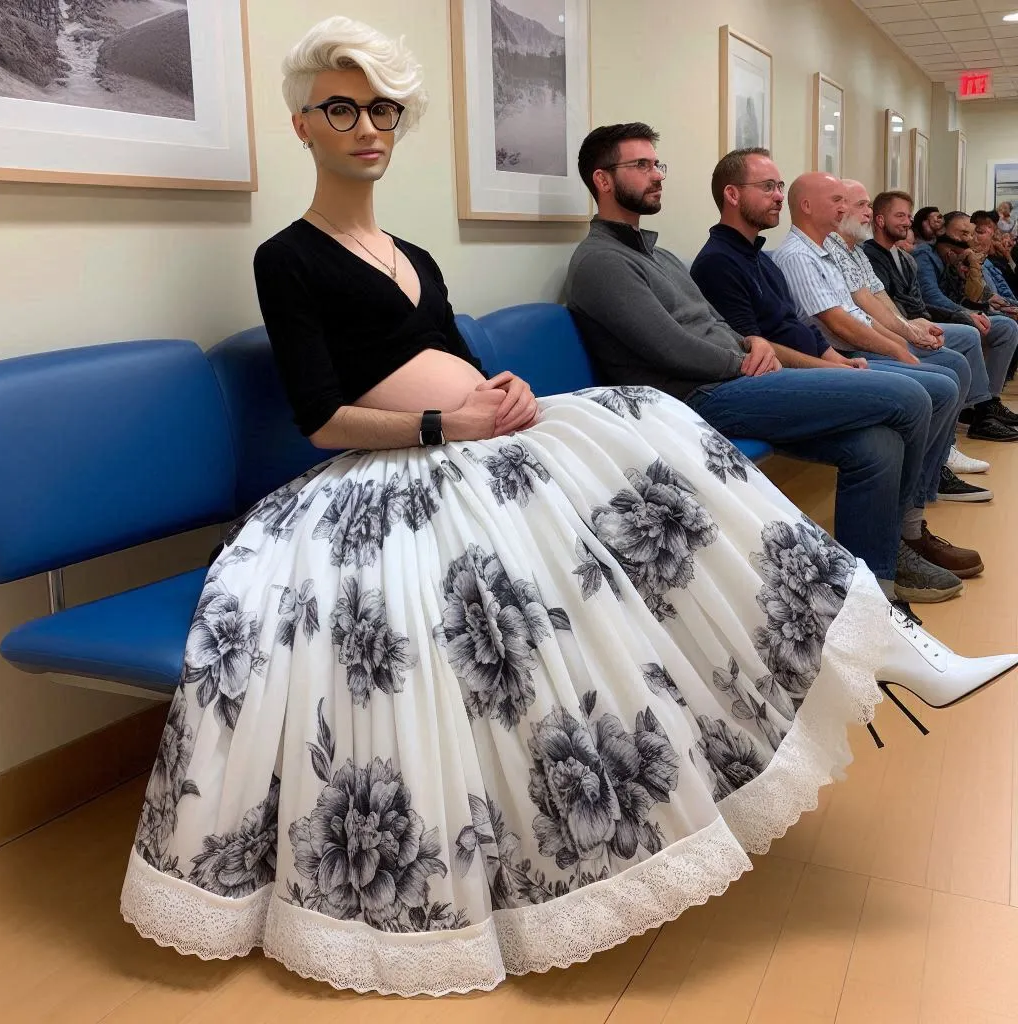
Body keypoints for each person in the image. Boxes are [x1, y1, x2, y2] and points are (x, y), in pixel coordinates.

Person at [118, 26, 1018, 997]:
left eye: (381, 108)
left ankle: (867, 633)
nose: (366, 127)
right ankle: (586, 814)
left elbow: (451, 352)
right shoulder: (286, 256)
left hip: (476, 438)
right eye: (341, 108)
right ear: (303, 124)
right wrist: (439, 421)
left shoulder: (413, 249)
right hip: (386, 471)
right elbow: (321, 417)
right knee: (569, 512)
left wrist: (493, 390)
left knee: (650, 430)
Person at [564, 130, 971, 602]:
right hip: (696, 398)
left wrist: (752, 341)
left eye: (658, 164)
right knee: (911, 395)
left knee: (876, 446)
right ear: (602, 180)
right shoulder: (600, 261)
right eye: (642, 166)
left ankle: (870, 591)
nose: (657, 175)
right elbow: (668, 348)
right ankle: (899, 545)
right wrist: (744, 358)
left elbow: (713, 319)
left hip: (735, 377)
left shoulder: (659, 255)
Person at [688, 147, 982, 585]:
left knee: (879, 444)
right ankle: (904, 533)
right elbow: (759, 348)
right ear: (732, 194)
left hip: (802, 368)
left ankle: (873, 578)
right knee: (920, 393)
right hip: (759, 383)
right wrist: (835, 369)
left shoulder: (756, 258)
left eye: (780, 186)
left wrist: (839, 361)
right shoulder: (718, 261)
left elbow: (796, 329)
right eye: (767, 187)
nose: (777, 196)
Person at [767, 175, 991, 511]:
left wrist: (906, 331)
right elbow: (839, 322)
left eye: (852, 202)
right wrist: (899, 345)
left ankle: (925, 484)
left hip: (844, 348)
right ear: (808, 207)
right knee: (943, 380)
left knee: (949, 370)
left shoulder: (833, 250)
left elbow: (868, 303)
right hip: (838, 353)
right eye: (841, 201)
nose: (857, 211)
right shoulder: (802, 255)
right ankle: (920, 493)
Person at [865, 192, 1018, 445]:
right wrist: (961, 315)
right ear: (880, 220)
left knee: (1003, 327)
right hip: (903, 328)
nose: (907, 222)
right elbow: (921, 301)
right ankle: (982, 411)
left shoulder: (904, 257)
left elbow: (922, 301)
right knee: (972, 334)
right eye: (900, 215)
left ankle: (986, 404)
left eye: (909, 216)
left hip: (923, 321)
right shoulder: (880, 255)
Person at [913, 211, 1018, 399]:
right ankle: (982, 404)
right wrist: (968, 313)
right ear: (943, 231)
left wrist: (973, 272)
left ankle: (990, 399)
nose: (969, 239)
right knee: (997, 328)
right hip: (936, 318)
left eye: (970, 234)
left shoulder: (959, 258)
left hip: (956, 315)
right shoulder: (925, 255)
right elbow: (931, 297)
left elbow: (978, 295)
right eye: (962, 234)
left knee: (1007, 326)